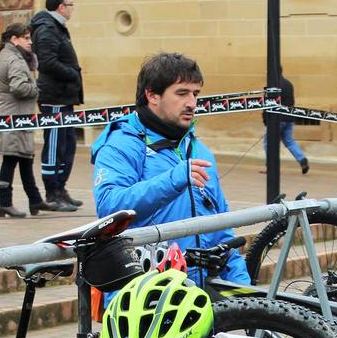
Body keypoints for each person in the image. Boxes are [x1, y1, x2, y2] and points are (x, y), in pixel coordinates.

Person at [92, 52, 249, 287]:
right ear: (152, 95)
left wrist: (247, 294)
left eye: (195, 93)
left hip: (197, 294)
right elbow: (109, 206)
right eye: (182, 93)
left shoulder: (199, 151)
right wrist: (174, 179)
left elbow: (222, 228)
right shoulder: (122, 143)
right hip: (144, 294)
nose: (192, 103)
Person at [0, 23, 72, 217]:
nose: (30, 41)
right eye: (26, 38)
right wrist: (36, 89)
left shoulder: (10, 55)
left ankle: (35, 201)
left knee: (25, 159)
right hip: (12, 117)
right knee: (10, 160)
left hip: (17, 117)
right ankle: (4, 202)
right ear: (14, 39)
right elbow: (19, 87)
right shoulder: (14, 59)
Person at [30, 0, 83, 209]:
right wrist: (72, 73)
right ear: (61, 7)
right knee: (54, 145)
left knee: (67, 144)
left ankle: (61, 187)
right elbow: (47, 62)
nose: (72, 8)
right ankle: (52, 192)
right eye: (70, 4)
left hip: (65, 96)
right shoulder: (47, 29)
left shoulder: (58, 28)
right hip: (54, 97)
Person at [262, 71, 308, 175]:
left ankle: (271, 167)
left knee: (269, 143)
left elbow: (267, 104)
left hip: (276, 119)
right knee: (289, 141)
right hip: (289, 118)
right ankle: (302, 159)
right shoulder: (289, 84)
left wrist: (265, 119)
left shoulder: (271, 86)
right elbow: (292, 101)